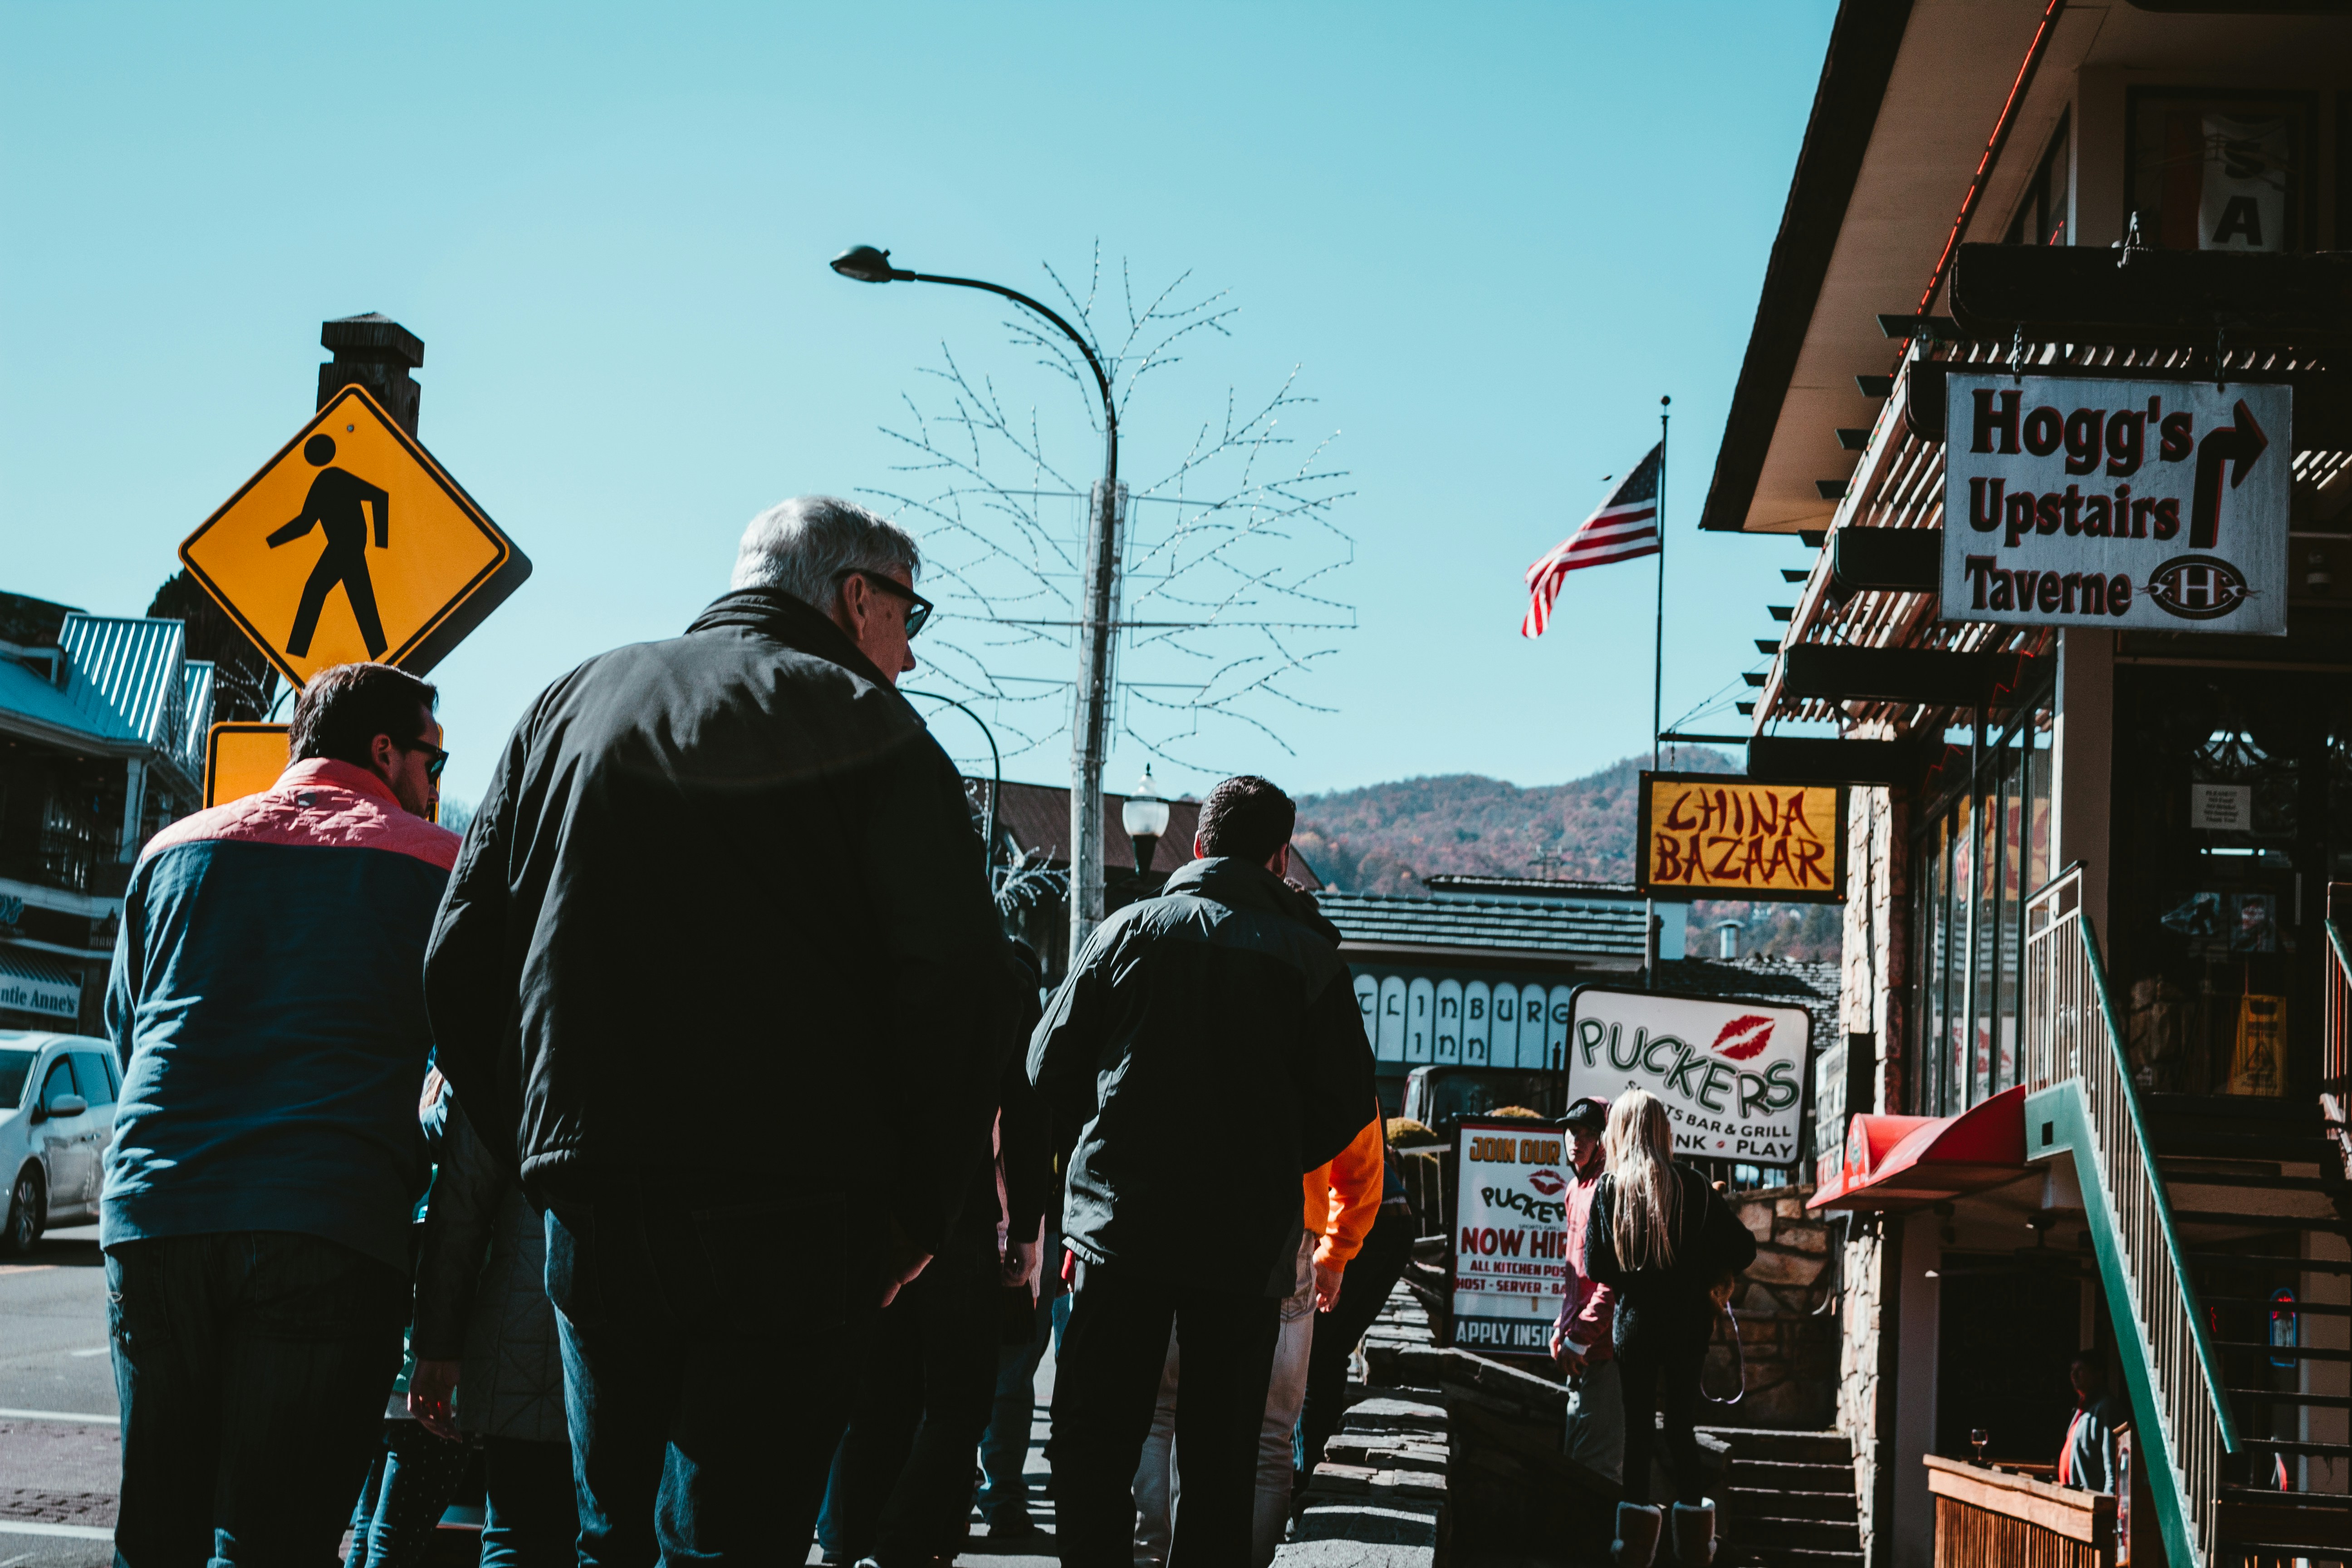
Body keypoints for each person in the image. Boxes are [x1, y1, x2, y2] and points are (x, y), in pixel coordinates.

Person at [424, 495, 1009, 1565]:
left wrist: (540, 1142)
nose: (911, 658)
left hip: (597, 1189)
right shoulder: (878, 730)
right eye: (908, 620)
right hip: (795, 1203)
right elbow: (957, 994)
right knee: (736, 1537)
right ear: (855, 595)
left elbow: (459, 958)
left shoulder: (570, 700)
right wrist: (917, 1215)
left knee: (608, 1530)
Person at [101, 662, 458, 1566]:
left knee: (156, 1531)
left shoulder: (170, 852)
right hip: (330, 1219)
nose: (434, 788)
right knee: (277, 1543)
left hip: (158, 1211)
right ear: (385, 750)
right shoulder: (436, 868)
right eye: (432, 763)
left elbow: (128, 1032)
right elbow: (475, 1074)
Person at [1030, 775, 1376, 1568]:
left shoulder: (1128, 933)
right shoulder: (1312, 964)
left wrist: (1117, 1125)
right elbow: (1346, 1107)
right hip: (1243, 1244)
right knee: (1221, 1458)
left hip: (1122, 1232)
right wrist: (1267, 1153)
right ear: (1280, 857)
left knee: (1095, 1438)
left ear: (1195, 846)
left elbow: (1046, 1064)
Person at [828, 945, 1048, 1566]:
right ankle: (901, 1545)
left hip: (872, 1204)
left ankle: (854, 1543)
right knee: (961, 1399)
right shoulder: (998, 969)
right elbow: (1027, 1104)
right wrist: (1027, 1227)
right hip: (959, 1212)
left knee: (879, 1399)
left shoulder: (871, 951)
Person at [1132, 1098, 1383, 1566]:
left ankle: (1150, 1558)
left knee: (1162, 1412)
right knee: (1271, 1436)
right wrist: (1337, 1252)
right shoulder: (1326, 1030)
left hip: (1180, 1222)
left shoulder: (1192, 1022)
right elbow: (1362, 1155)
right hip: (1287, 1236)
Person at [1585, 1090, 1757, 1568]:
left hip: (1635, 1328)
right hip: (1688, 1328)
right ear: (1664, 1129)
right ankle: (1695, 1552)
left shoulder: (1610, 1189)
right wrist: (1699, 1272)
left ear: (1620, 1131)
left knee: (1638, 1432)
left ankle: (1634, 1552)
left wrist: (1634, 1276)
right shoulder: (1697, 1187)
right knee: (1683, 1429)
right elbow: (1744, 1249)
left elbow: (1595, 1263)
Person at [409, 1082, 576, 1566]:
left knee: (518, 1537)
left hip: (524, 1333)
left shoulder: (514, 1025)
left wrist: (438, 1345)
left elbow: (462, 1199)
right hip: (649, 1336)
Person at [1293, 1124, 1417, 1486]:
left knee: (1312, 1353)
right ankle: (1312, 1469)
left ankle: (1305, 1475)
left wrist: (1332, 1256)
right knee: (1328, 1353)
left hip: (1365, 1218)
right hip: (1396, 1217)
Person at [1549, 1096, 1623, 1486]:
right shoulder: (1574, 1189)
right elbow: (1575, 1273)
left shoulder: (1608, 1189)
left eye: (1588, 1134)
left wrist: (1582, 1336)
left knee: (1597, 1469)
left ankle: (1601, 1547)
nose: (1576, 1141)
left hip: (1607, 1349)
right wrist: (1562, 1327)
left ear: (1604, 1140)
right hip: (1579, 1345)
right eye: (1571, 1132)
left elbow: (1614, 1278)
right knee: (1576, 1460)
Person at [2058, 1354, 2127, 1493]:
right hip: (2073, 1496)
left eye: (2081, 1370)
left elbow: (2112, 1464)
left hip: (2091, 1499)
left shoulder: (2106, 1407)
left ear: (2098, 1374)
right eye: (2073, 1370)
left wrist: (2108, 1502)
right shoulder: (2081, 1410)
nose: (2074, 1375)